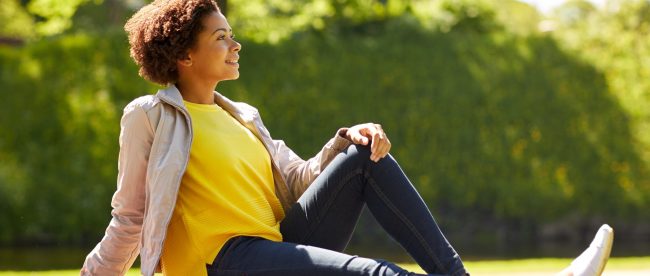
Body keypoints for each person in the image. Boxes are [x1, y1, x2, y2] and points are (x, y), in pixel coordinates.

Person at [81, 1, 614, 275]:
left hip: (274, 247)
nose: (236, 44)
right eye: (222, 37)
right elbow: (129, 216)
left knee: (364, 156)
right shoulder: (150, 116)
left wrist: (346, 138)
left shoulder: (243, 115)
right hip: (225, 262)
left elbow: (298, 179)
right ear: (184, 54)